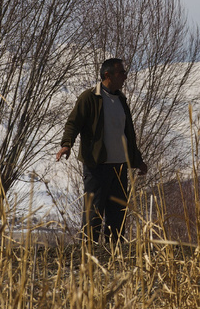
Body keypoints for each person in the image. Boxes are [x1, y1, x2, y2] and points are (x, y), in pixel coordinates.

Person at [57, 58, 148, 243]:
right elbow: (73, 123)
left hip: (120, 168)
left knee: (117, 217)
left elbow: (128, 135)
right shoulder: (89, 97)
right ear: (108, 75)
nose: (125, 76)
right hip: (97, 167)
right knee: (93, 216)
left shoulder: (121, 100)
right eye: (121, 72)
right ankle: (88, 258)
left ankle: (113, 258)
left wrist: (137, 160)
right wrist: (66, 144)